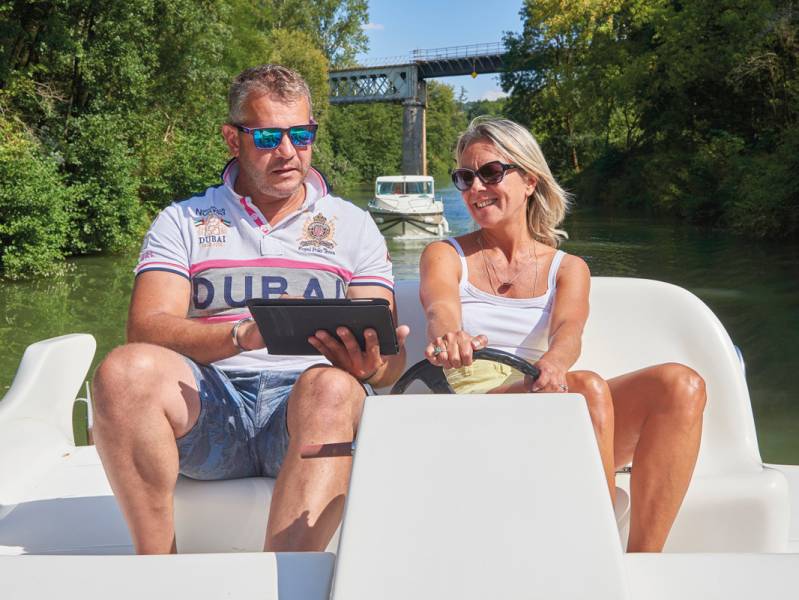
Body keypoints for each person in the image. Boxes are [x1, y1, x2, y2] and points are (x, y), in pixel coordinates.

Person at [91, 64, 408, 554]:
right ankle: (157, 572)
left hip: (307, 410)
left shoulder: (354, 225)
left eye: (301, 134)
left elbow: (388, 366)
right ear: (232, 139)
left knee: (331, 387)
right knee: (123, 371)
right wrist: (243, 334)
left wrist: (370, 365)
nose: (288, 151)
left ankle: (284, 579)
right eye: (267, 137)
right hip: (210, 406)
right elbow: (146, 329)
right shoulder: (183, 220)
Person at [419, 116, 707, 552]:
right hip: (474, 412)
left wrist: (553, 363)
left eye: (491, 173)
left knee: (681, 385)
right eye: (465, 177)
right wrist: (449, 336)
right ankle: (598, 553)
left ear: (529, 180)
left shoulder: (568, 268)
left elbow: (569, 330)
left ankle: (642, 559)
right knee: (585, 389)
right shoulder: (445, 254)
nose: (476, 188)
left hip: (544, 395)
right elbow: (439, 306)